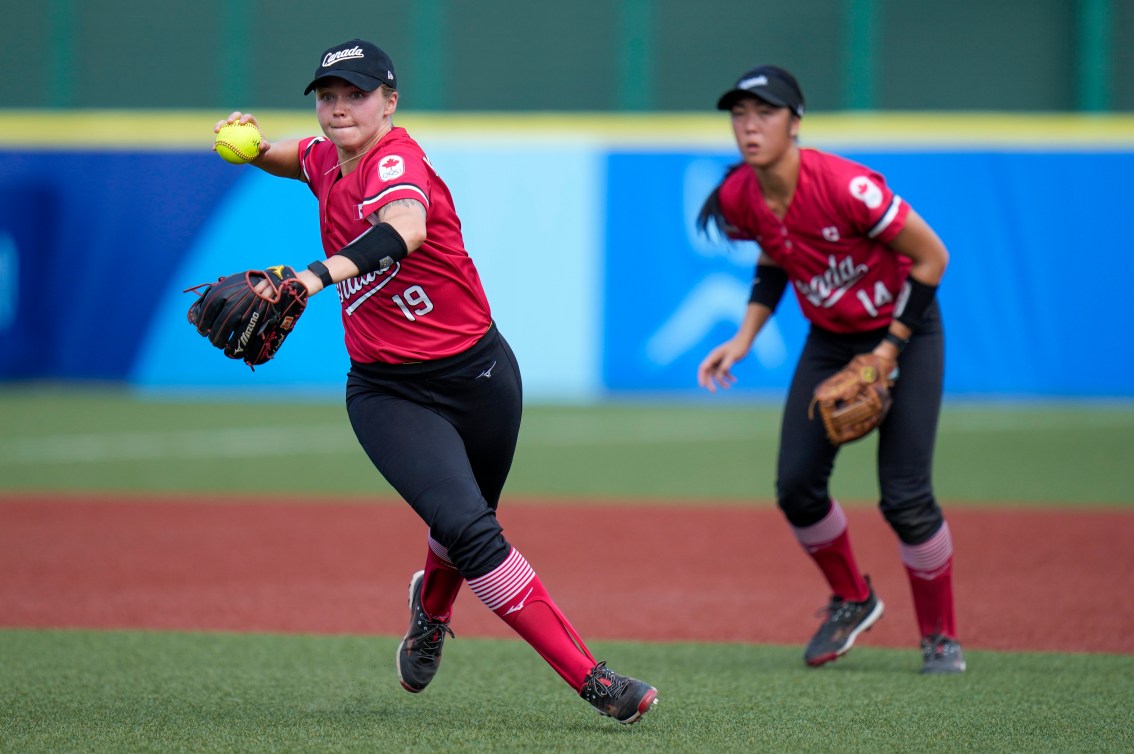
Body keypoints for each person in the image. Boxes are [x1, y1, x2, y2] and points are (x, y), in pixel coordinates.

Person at [213, 38, 659, 721]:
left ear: (389, 101)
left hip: (480, 374)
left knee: (467, 521)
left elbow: (405, 227)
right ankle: (595, 681)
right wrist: (251, 146)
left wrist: (309, 277)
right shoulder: (323, 156)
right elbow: (291, 156)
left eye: (355, 95)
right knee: (474, 531)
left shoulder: (396, 160)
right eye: (327, 96)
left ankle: (431, 609)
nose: (338, 109)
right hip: (387, 390)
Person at [695, 65, 964, 674]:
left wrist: (889, 352)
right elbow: (774, 252)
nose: (749, 125)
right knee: (796, 486)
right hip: (833, 338)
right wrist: (744, 336)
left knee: (905, 497)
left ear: (795, 122)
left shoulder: (846, 187)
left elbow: (932, 257)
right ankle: (853, 598)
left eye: (764, 113)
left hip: (907, 331)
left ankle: (941, 637)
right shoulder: (743, 193)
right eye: (740, 114)